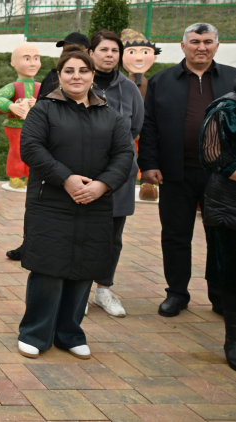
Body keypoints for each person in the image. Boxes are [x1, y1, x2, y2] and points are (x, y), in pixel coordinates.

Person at [17, 51, 134, 359]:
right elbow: (30, 148)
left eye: (84, 70)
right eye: (69, 71)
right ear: (59, 76)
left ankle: (69, 333)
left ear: (93, 76)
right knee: (49, 268)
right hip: (51, 202)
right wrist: (66, 178)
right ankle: (35, 333)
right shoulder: (44, 110)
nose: (77, 76)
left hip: (94, 202)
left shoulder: (109, 115)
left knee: (84, 267)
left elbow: (124, 155)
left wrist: (103, 185)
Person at [139, 23, 236, 317]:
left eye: (208, 41)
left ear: (217, 46)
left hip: (222, 177)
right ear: (183, 46)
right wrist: (149, 164)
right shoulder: (162, 81)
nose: (201, 47)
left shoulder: (233, 78)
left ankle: (220, 295)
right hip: (174, 173)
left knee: (220, 238)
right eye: (195, 41)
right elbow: (149, 126)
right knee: (175, 235)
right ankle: (177, 293)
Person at [87, 30, 145, 317]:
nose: (109, 55)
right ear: (91, 53)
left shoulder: (130, 89)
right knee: (81, 233)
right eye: (103, 50)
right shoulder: (78, 82)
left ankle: (103, 290)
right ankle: (78, 290)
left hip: (119, 174)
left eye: (114, 50)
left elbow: (135, 128)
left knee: (112, 235)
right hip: (83, 173)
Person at [199, 82, 236, 371]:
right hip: (229, 201)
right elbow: (215, 156)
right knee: (231, 273)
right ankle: (233, 341)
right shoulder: (226, 108)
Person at [0, 44, 42, 191]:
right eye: (27, 58)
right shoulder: (13, 86)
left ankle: (29, 177)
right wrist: (10, 106)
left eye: (36, 58)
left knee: (34, 150)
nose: (33, 63)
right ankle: (14, 177)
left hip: (36, 126)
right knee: (17, 150)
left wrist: (39, 103)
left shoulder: (40, 86)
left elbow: (51, 103)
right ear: (13, 63)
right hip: (15, 126)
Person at [38, 32, 90, 97]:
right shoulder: (52, 77)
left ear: (87, 52)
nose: (66, 55)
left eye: (71, 51)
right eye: (64, 50)